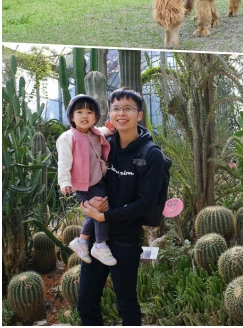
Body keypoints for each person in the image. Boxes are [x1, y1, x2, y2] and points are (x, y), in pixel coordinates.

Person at [77, 88, 164, 326]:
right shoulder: (103, 144)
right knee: (85, 303)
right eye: (115, 108)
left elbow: (144, 204)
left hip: (125, 239)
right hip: (96, 239)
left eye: (128, 108)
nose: (121, 113)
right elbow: (81, 177)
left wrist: (106, 217)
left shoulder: (151, 155)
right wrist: (86, 202)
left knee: (126, 304)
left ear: (139, 115)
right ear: (109, 114)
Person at [57, 95, 116, 266]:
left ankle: (82, 242)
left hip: (98, 180)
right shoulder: (68, 137)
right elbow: (64, 162)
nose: (84, 116)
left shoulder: (95, 132)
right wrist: (64, 182)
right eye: (80, 112)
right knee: (101, 209)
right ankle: (100, 245)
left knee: (95, 209)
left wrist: (111, 129)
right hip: (84, 184)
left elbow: (104, 132)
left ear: (95, 117)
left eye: (89, 112)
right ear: (72, 117)